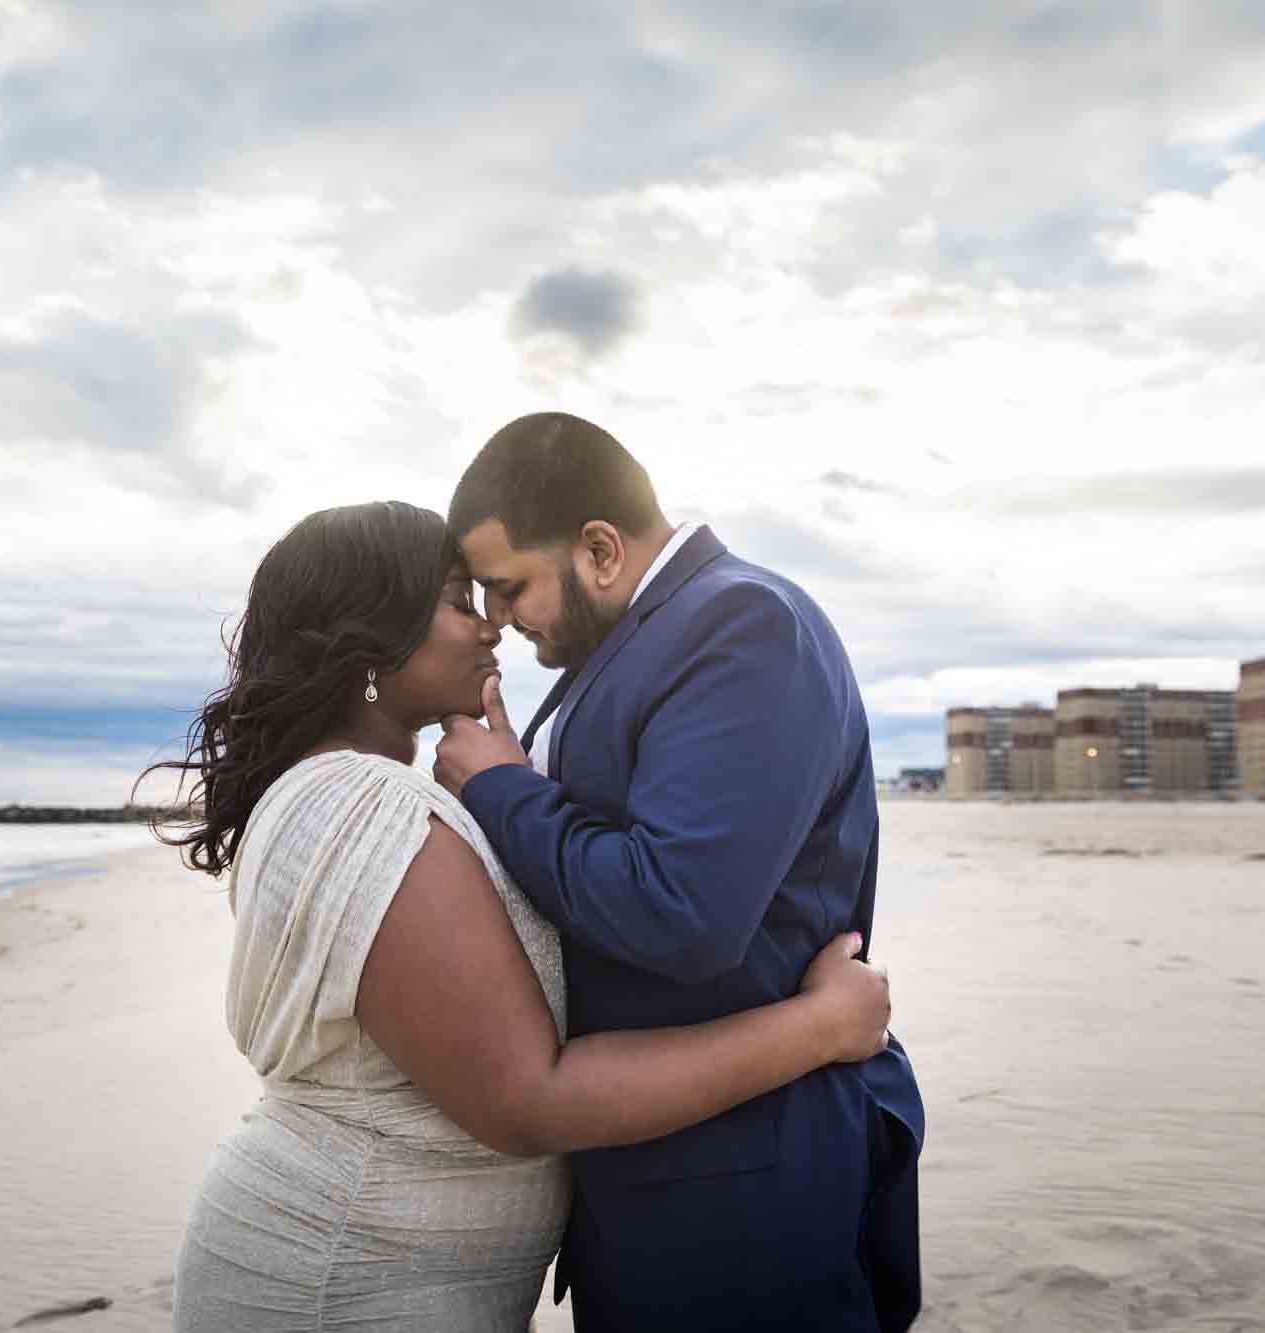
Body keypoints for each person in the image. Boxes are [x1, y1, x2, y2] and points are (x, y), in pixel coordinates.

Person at [160, 500, 894, 1331]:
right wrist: (824, 1025)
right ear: (370, 646)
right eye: (456, 601)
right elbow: (527, 1099)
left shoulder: (366, 796)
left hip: (401, 1271)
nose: (490, 629)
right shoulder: (362, 806)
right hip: (344, 1279)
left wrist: (506, 789)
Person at [433, 413, 925, 1332]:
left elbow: (680, 910)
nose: (499, 619)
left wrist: (502, 788)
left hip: (744, 1197)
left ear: (600, 549)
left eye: (509, 587)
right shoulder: (628, 642)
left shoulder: (742, 625)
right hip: (661, 1176)